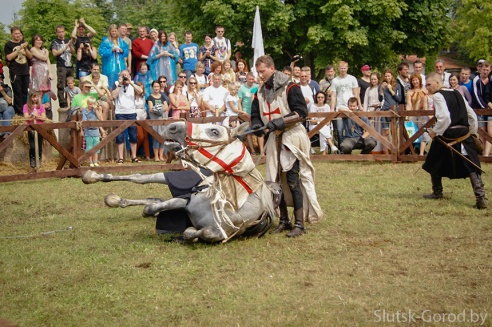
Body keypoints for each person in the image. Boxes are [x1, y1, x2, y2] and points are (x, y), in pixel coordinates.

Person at [251, 55, 323, 237]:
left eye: (262, 71)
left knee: (292, 180)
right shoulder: (260, 91)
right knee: (275, 181)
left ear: (272, 68)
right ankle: (284, 220)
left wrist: (279, 123)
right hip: (274, 139)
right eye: (258, 72)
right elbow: (255, 114)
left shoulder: (290, 86)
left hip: (291, 137)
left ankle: (299, 223)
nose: (260, 75)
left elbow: (301, 112)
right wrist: (256, 126)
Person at [422, 72, 486, 209]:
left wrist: (435, 132)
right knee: (471, 166)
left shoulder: (438, 95)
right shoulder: (457, 93)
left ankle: (437, 192)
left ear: (438, 83)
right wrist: (472, 133)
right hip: (464, 133)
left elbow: (445, 118)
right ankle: (481, 199)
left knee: (433, 158)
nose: (427, 88)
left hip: (448, 133)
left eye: (429, 84)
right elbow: (472, 116)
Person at [111, 70, 143, 164]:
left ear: (130, 76)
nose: (125, 77)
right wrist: (120, 84)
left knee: (133, 135)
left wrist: (131, 82)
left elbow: (140, 91)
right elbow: (113, 96)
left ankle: (134, 156)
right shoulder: (116, 83)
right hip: (120, 112)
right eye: (123, 75)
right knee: (120, 135)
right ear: (119, 77)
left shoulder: (133, 84)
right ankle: (120, 157)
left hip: (131, 112)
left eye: (126, 75)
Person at [329, 61, 362, 146]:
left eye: (344, 68)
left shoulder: (352, 78)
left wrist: (359, 106)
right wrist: (332, 109)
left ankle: (352, 145)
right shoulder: (335, 80)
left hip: (351, 107)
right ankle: (340, 146)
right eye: (341, 68)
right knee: (339, 129)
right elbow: (333, 95)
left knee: (352, 128)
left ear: (347, 68)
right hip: (340, 107)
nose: (343, 70)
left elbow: (356, 94)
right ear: (338, 68)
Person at [4, 26, 32, 115]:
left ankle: (25, 110)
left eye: (19, 33)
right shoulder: (8, 45)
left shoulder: (24, 43)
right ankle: (19, 112)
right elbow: (8, 57)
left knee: (24, 92)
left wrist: (25, 48)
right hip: (15, 72)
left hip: (25, 71)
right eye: (15, 33)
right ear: (11, 34)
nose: (17, 35)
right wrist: (19, 48)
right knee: (18, 92)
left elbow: (30, 56)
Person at [50, 25, 75, 110]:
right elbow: (54, 53)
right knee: (61, 84)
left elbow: (73, 52)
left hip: (70, 65)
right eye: (59, 32)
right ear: (56, 33)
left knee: (70, 83)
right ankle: (62, 103)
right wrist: (65, 46)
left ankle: (71, 101)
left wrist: (70, 45)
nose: (61, 33)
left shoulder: (68, 40)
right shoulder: (55, 42)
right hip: (61, 66)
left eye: (62, 31)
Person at [405, 73, 430, 155]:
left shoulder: (425, 90)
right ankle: (413, 150)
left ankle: (421, 151)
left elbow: (426, 104)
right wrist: (407, 115)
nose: (415, 82)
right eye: (413, 80)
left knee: (423, 133)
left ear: (419, 80)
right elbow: (409, 104)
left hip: (423, 115)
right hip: (413, 114)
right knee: (412, 133)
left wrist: (429, 115)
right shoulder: (409, 92)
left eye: (416, 80)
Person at [378, 69, 402, 152]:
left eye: (389, 76)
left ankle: (395, 150)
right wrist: (381, 89)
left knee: (394, 131)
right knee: (385, 132)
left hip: (394, 110)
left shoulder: (397, 85)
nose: (387, 78)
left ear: (392, 76)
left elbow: (399, 99)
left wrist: (391, 89)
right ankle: (386, 151)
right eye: (386, 76)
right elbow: (380, 99)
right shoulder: (382, 85)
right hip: (384, 110)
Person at [98, 24, 129, 88]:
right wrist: (111, 50)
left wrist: (122, 50)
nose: (114, 33)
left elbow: (126, 51)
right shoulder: (106, 41)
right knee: (110, 79)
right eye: (112, 31)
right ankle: (110, 92)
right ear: (110, 32)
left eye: (115, 31)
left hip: (120, 63)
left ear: (117, 31)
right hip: (109, 64)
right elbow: (101, 52)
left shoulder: (121, 41)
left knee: (121, 78)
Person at [239, 72, 262, 155]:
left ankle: (260, 149)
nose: (251, 81)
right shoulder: (242, 88)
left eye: (253, 79)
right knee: (248, 131)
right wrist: (241, 112)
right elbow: (239, 101)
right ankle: (252, 150)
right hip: (246, 112)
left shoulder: (256, 87)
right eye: (250, 79)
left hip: (256, 112)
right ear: (246, 79)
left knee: (258, 130)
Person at [23, 90, 47, 169]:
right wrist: (31, 116)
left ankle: (39, 161)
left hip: (40, 128)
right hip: (31, 128)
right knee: (32, 146)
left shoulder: (41, 106)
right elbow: (26, 117)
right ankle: (32, 160)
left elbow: (44, 118)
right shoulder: (26, 106)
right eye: (33, 97)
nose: (35, 99)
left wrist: (38, 116)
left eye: (36, 97)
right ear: (30, 98)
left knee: (39, 146)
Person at [147, 80, 169, 162]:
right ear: (152, 87)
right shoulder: (150, 97)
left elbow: (166, 107)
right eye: (155, 86)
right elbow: (150, 109)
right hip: (155, 120)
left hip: (163, 119)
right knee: (156, 138)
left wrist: (159, 108)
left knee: (162, 137)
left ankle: (161, 155)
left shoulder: (162, 96)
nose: (156, 88)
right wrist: (160, 108)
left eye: (158, 86)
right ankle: (156, 156)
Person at [81, 96, 105, 167]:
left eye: (93, 104)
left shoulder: (95, 110)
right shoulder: (84, 111)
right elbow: (84, 120)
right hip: (88, 131)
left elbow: (100, 119)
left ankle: (95, 161)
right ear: (87, 104)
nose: (91, 106)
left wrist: (97, 110)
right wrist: (89, 121)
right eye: (90, 104)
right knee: (89, 147)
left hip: (96, 131)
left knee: (96, 147)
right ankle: (90, 161)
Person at [134, 81, 150, 161]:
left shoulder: (143, 96)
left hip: (143, 115)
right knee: (140, 136)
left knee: (146, 136)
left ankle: (147, 155)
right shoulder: (132, 96)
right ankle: (134, 154)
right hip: (136, 116)